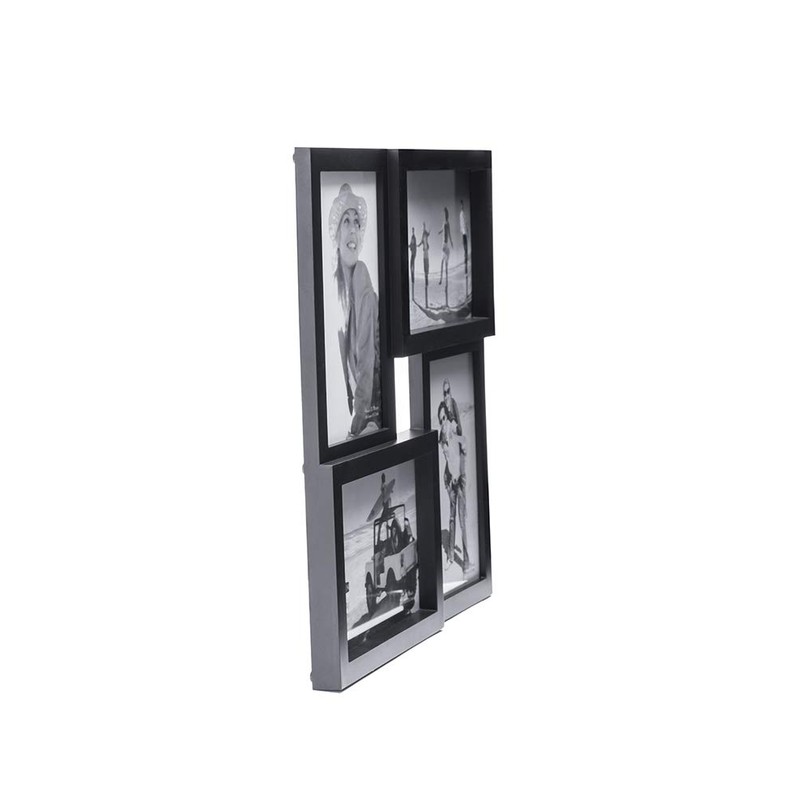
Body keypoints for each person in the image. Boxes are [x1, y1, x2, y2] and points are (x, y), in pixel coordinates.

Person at [329, 183, 381, 439]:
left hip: (372, 411)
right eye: (346, 221)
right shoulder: (338, 286)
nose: (353, 229)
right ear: (336, 234)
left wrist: (357, 421)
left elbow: (367, 356)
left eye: (356, 222)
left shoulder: (360, 274)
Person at [437, 402, 469, 572]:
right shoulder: (443, 439)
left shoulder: (453, 429)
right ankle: (450, 556)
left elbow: (463, 442)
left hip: (458, 478)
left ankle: (465, 561)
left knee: (462, 518)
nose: (442, 422)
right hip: (450, 479)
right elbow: (449, 460)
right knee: (451, 518)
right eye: (440, 420)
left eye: (444, 418)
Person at [419, 222, 431, 308]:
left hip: (427, 251)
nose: (423, 228)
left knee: (427, 264)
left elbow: (428, 234)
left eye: (424, 226)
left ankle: (427, 277)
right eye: (423, 226)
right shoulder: (423, 234)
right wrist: (418, 245)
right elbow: (421, 241)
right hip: (424, 252)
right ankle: (426, 278)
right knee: (425, 264)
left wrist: (429, 231)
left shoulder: (425, 233)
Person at [459, 200, 468, 275]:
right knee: (465, 250)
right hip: (463, 234)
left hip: (465, 234)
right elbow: (461, 224)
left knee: (466, 250)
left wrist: (466, 229)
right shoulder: (461, 214)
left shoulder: (463, 214)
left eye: (462, 205)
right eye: (461, 205)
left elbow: (464, 223)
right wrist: (462, 232)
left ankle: (466, 267)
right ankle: (465, 269)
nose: (462, 206)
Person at [408, 228, 418, 294]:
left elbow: (413, 245)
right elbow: (410, 245)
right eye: (412, 230)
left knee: (412, 266)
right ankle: (412, 278)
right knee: (411, 266)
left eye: (413, 230)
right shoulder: (412, 237)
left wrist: (412, 247)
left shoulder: (414, 237)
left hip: (413, 254)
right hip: (413, 254)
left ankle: (413, 279)